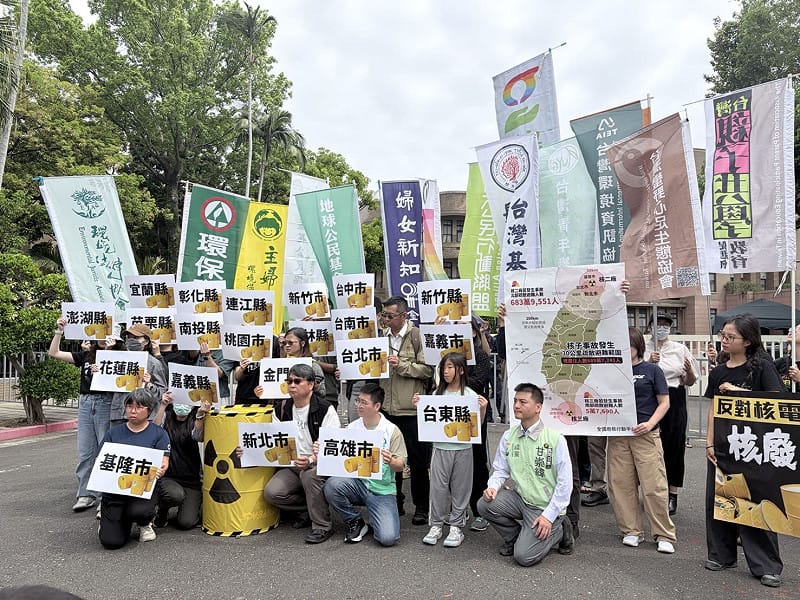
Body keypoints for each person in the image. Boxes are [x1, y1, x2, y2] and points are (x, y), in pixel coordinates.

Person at [704, 314, 784, 588]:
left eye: (730, 337)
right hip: (724, 446)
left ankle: (766, 565)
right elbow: (713, 409)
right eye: (723, 336)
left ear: (747, 341)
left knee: (755, 504)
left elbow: (775, 402)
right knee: (720, 501)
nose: (724, 341)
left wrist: (738, 391)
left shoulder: (762, 367)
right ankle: (721, 554)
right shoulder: (718, 371)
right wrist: (710, 442)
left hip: (754, 448)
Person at [478, 383, 574, 566]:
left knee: (523, 557)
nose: (516, 406)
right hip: (521, 499)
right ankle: (515, 537)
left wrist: (549, 516)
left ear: (538, 407)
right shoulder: (509, 436)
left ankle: (561, 529)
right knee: (484, 504)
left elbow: (565, 484)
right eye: (515, 401)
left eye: (523, 402)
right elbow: (500, 469)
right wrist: (492, 487)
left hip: (545, 507)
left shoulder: (555, 439)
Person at [607, 327, 676, 554]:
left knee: (654, 486)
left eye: (628, 345)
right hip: (618, 436)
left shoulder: (651, 370)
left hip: (645, 435)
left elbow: (664, 402)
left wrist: (650, 423)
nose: (624, 350)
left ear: (638, 346)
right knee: (620, 485)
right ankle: (631, 531)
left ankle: (664, 534)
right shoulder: (611, 370)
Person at [414, 352, 487, 547]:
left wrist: (483, 409)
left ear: (461, 370)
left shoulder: (470, 395)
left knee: (461, 487)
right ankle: (436, 524)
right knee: (438, 487)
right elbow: (429, 419)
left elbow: (476, 426)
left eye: (450, 368)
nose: (445, 372)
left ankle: (456, 525)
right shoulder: (437, 394)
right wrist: (419, 405)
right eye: (444, 368)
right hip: (440, 447)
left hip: (463, 448)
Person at [262, 363, 340, 544]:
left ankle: (322, 526)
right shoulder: (281, 408)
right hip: (291, 465)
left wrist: (312, 459)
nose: (292, 385)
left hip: (317, 464)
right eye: (289, 381)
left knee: (309, 476)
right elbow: (273, 439)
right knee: (272, 493)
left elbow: (332, 445)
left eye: (297, 381)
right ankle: (309, 507)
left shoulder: (325, 408)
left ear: (311, 384)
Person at [324, 383, 407, 546]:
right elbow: (339, 458)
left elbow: (401, 465)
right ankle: (355, 520)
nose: (359, 406)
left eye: (364, 403)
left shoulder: (391, 430)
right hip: (358, 484)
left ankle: (378, 519)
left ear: (377, 406)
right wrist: (323, 449)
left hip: (382, 490)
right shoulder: (352, 427)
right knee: (332, 485)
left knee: (388, 538)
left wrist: (391, 461)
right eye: (357, 401)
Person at [48, 317, 115, 512]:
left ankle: (106, 496)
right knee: (86, 451)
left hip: (106, 402)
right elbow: (54, 353)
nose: (104, 338)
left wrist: (109, 353)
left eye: (108, 333)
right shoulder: (86, 355)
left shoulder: (120, 355)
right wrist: (59, 331)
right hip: (86, 402)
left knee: (105, 450)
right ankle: (86, 494)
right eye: (101, 334)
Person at [379, 296, 434, 525]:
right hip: (388, 409)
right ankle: (396, 502)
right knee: (391, 461)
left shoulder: (417, 336)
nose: (386, 320)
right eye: (384, 315)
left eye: (390, 316)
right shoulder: (382, 338)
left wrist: (401, 365)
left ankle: (421, 507)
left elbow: (429, 370)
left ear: (404, 315)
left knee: (418, 462)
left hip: (411, 410)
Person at [98, 389, 170, 549]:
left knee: (139, 511)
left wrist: (160, 470)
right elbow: (101, 461)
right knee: (111, 542)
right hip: (115, 492)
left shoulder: (159, 434)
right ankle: (112, 521)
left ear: (149, 410)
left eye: (139, 407)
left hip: (142, 490)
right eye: (129, 406)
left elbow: (164, 461)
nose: (133, 411)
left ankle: (145, 523)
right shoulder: (113, 433)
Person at [645, 313, 697, 516]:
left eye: (667, 325)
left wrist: (689, 373)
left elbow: (690, 380)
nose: (662, 328)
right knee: (648, 446)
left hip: (674, 397)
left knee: (674, 445)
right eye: (658, 324)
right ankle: (651, 492)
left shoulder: (679, 349)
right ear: (650, 326)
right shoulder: (642, 346)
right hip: (649, 398)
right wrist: (649, 362)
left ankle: (672, 493)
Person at [153, 392, 209, 530]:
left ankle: (193, 504)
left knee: (186, 522)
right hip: (168, 476)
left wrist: (200, 415)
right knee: (174, 494)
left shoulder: (195, 417)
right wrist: (163, 405)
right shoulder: (168, 415)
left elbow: (198, 436)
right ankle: (162, 510)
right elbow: (154, 430)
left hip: (191, 480)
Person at [110, 324, 168, 425]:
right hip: (119, 415)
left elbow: (162, 393)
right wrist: (98, 371)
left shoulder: (154, 363)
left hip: (144, 418)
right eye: (129, 337)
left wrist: (148, 384)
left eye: (136, 338)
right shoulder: (117, 360)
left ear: (146, 341)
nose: (131, 340)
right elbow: (105, 382)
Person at [467, 318, 493, 532]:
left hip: (476, 414)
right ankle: (457, 509)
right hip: (448, 416)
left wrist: (457, 377)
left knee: (476, 460)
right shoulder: (445, 356)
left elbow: (478, 382)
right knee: (452, 463)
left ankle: (479, 510)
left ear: (474, 333)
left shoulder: (481, 356)